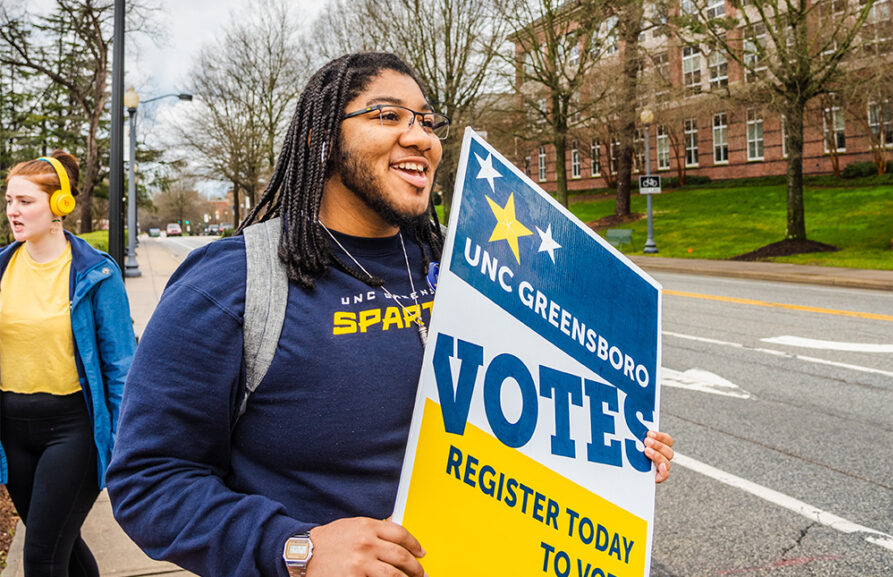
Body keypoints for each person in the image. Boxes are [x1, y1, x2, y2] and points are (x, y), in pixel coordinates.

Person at [106, 52, 674, 577]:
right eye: (387, 115)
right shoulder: (232, 283)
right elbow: (148, 481)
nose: (419, 137)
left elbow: (533, 408)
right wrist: (294, 548)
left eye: (427, 122)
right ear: (321, 141)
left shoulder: (475, 268)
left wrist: (611, 444)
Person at [0, 150, 136, 577]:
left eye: (25, 201)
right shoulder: (2, 267)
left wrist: (125, 443)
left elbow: (121, 366)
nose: (13, 211)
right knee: (63, 544)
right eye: (8, 200)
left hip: (72, 431)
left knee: (41, 556)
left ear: (59, 205)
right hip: (13, 431)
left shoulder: (96, 274)